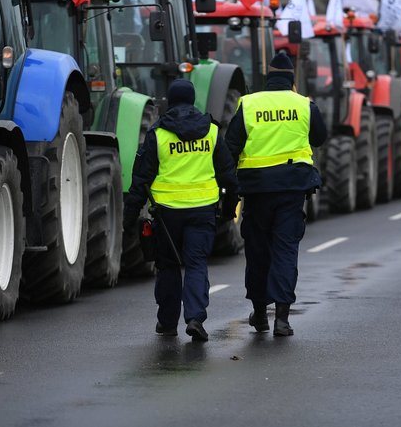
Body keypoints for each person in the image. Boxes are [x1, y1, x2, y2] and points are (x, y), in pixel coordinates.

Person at [123, 79, 238, 342]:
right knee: (196, 264)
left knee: (168, 266)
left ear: (170, 101)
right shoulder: (210, 131)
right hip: (202, 212)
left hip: (166, 215)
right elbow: (228, 175)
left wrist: (129, 218)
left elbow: (140, 179)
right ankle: (195, 317)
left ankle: (167, 323)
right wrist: (229, 208)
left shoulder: (158, 134)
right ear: (193, 100)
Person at [225, 52, 327, 337]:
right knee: (285, 251)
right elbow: (319, 137)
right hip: (292, 188)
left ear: (268, 78)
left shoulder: (249, 104)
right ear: (292, 80)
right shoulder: (305, 104)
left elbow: (231, 146)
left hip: (257, 191)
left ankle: (260, 314)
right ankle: (282, 318)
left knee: (258, 251)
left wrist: (228, 189)